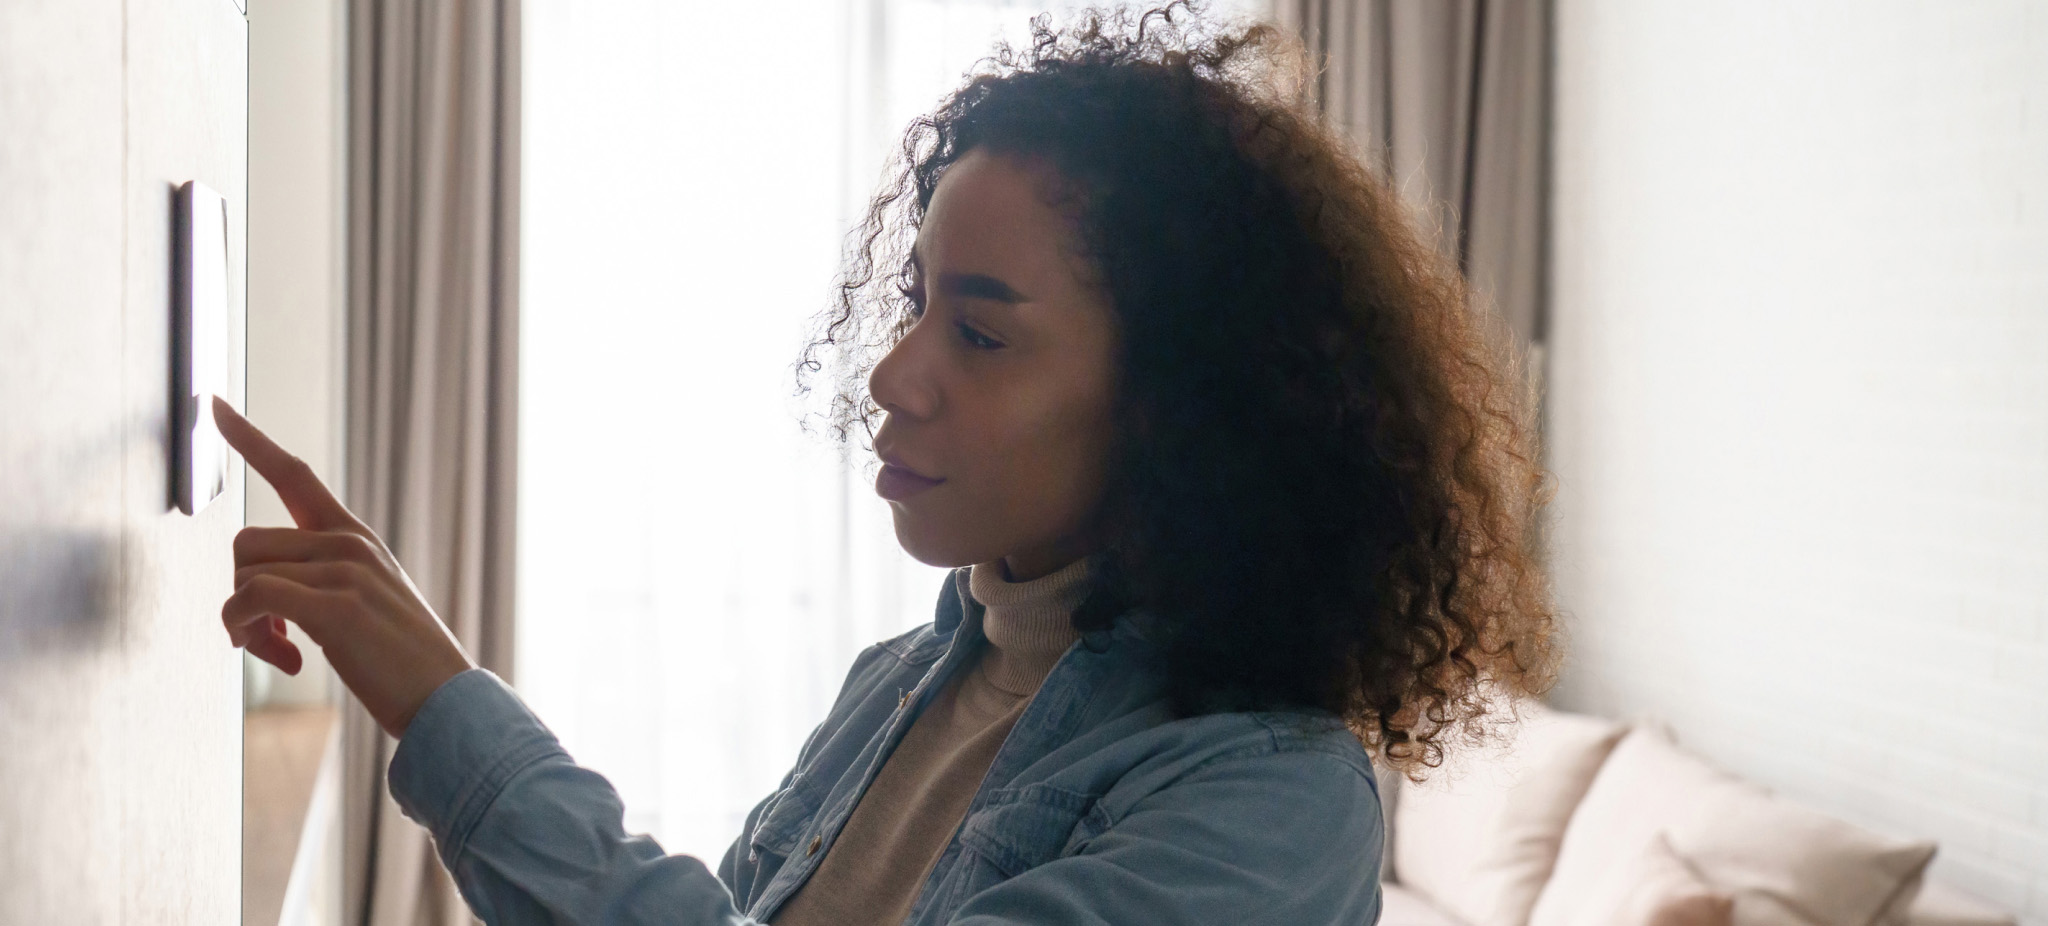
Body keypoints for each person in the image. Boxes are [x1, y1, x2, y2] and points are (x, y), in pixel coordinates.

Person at [214, 3, 1559, 923]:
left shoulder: (1266, 796)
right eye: (916, 305)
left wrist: (447, 706)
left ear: (1176, 404)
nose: (893, 374)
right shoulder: (915, 675)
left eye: (979, 331)